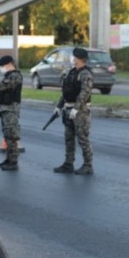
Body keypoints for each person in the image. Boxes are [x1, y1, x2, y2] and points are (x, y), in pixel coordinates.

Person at [53, 47, 94, 175]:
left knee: (82, 139)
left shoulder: (85, 74)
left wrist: (76, 108)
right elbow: (66, 92)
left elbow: (85, 92)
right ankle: (68, 163)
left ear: (80, 59)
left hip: (80, 111)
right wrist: (59, 106)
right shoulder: (71, 72)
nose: (73, 59)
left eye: (74, 57)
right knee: (69, 138)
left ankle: (88, 165)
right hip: (68, 109)